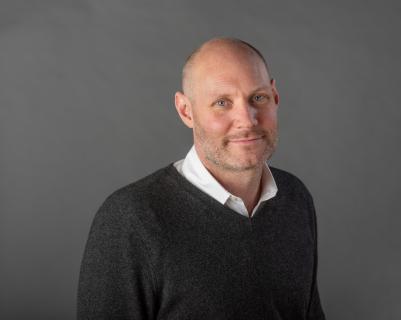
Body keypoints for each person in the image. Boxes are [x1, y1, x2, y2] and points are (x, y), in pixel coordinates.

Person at [77, 37, 326, 319]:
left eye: (258, 97)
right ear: (186, 111)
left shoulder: (294, 197)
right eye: (222, 103)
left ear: (275, 96)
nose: (247, 119)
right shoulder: (131, 218)